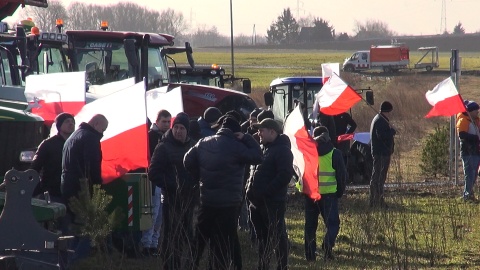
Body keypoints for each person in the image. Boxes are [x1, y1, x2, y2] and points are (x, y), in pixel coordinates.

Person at [184, 116, 262, 270]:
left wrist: (199, 177)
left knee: (199, 241)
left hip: (207, 200)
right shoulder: (237, 146)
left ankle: (190, 266)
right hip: (229, 204)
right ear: (235, 132)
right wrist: (246, 137)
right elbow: (258, 156)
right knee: (223, 243)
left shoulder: (203, 143)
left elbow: (187, 160)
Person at [149, 112, 198, 269]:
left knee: (189, 236)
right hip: (171, 199)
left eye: (181, 128)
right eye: (175, 127)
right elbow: (153, 173)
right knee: (171, 236)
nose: (178, 131)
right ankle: (170, 265)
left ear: (187, 130)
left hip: (191, 199)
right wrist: (173, 185)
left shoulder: (194, 146)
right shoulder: (163, 147)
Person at [247, 118, 293, 270]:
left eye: (261, 130)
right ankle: (263, 265)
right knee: (262, 238)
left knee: (278, 236)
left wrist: (266, 193)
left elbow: (285, 175)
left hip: (272, 203)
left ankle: (282, 266)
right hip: (257, 203)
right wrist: (249, 189)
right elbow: (253, 172)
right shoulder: (263, 148)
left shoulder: (282, 150)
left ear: (272, 132)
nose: (258, 133)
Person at [61, 114, 108, 262]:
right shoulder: (90, 138)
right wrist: (97, 190)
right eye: (103, 129)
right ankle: (74, 262)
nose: (103, 133)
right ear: (96, 124)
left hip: (67, 187)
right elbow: (92, 167)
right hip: (82, 190)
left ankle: (66, 259)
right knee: (88, 229)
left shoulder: (72, 137)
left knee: (73, 228)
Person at [304, 126, 346, 261]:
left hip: (310, 194)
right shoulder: (335, 153)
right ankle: (327, 245)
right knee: (333, 224)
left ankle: (310, 256)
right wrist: (339, 192)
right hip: (328, 195)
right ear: (327, 137)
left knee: (310, 226)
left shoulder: (308, 152)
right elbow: (342, 176)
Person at [141, 109, 171, 256]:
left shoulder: (168, 137)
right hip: (152, 181)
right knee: (152, 213)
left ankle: (154, 244)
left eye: (168, 121)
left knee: (159, 217)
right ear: (157, 121)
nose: (166, 124)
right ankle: (147, 244)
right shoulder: (150, 137)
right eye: (164, 121)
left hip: (164, 180)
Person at [32, 112, 75, 201]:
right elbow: (35, 167)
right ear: (59, 125)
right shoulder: (48, 144)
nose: (71, 124)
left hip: (71, 193)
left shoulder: (77, 144)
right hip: (51, 192)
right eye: (67, 121)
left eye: (72, 122)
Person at [369, 101, 396, 208]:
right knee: (379, 177)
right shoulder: (380, 120)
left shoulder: (380, 119)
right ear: (388, 111)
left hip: (381, 152)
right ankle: (377, 201)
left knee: (378, 177)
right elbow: (382, 136)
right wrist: (392, 132)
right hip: (381, 153)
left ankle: (376, 200)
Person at [456, 100, 480, 201]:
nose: (478, 112)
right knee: (469, 173)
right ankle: (467, 195)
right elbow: (462, 135)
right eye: (476, 110)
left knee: (474, 174)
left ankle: (470, 193)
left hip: (476, 151)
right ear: (470, 111)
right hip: (468, 152)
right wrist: (476, 138)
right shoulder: (463, 121)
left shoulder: (476, 120)